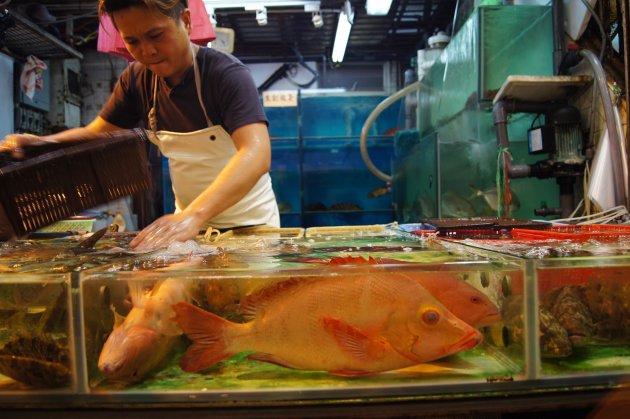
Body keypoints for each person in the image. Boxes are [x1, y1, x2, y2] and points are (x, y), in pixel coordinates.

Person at [0, 0, 280, 249]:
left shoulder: (225, 75)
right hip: (188, 228)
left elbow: (256, 153)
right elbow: (97, 133)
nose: (147, 51)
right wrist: (43, 142)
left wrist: (194, 215)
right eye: (132, 41)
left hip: (251, 227)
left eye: (156, 35)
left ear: (185, 20)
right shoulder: (136, 79)